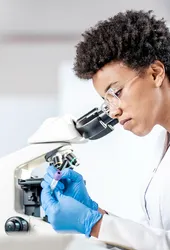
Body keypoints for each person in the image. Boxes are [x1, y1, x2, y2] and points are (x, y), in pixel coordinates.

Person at [41, 10, 170, 250]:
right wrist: (95, 213)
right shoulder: (160, 144)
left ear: (156, 73)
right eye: (106, 101)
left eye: (117, 93)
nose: (113, 112)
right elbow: (153, 237)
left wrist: (95, 224)